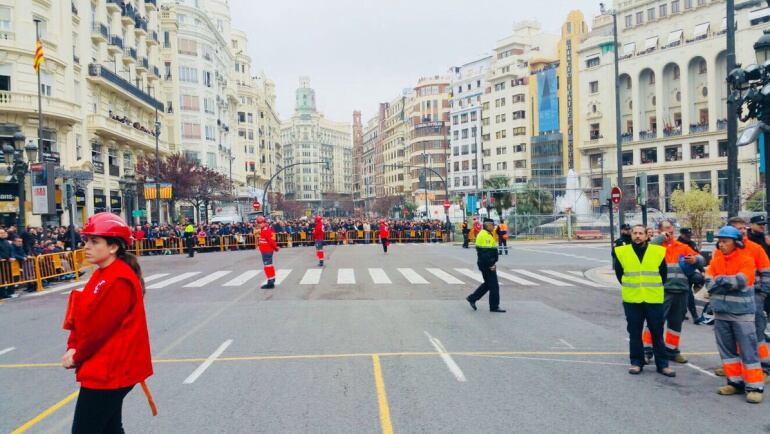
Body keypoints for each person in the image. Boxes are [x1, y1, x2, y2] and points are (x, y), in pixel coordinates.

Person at [61, 212, 156, 432]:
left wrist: (76, 354)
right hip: (105, 367)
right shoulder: (103, 273)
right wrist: (72, 345)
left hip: (110, 369)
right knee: (109, 429)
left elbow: (99, 329)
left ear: (113, 247)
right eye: (86, 240)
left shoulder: (118, 279)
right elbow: (81, 314)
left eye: (94, 241)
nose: (86, 246)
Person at [707, 225, 764, 403]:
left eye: (725, 241)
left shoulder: (746, 259)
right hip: (721, 313)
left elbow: (740, 281)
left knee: (749, 351)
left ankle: (755, 387)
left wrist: (720, 280)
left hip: (742, 315)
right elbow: (708, 281)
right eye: (720, 241)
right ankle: (735, 382)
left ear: (736, 242)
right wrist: (721, 281)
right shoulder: (717, 260)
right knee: (727, 351)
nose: (721, 244)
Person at [613, 224, 674, 377]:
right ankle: (636, 362)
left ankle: (663, 365)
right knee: (634, 333)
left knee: (657, 332)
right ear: (631, 235)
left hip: (653, 298)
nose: (638, 236)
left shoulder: (658, 251)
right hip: (632, 299)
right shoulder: (622, 252)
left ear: (647, 236)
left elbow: (663, 274)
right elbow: (619, 274)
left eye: (641, 233)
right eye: (635, 233)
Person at [647, 220, 704, 364]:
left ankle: (672, 350)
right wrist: (661, 238)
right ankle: (647, 350)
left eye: (671, 229)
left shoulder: (682, 247)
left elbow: (702, 260)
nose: (670, 231)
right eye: (666, 229)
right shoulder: (657, 246)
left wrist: (695, 259)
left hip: (682, 290)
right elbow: (647, 250)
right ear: (660, 231)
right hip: (662, 290)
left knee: (676, 322)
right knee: (656, 321)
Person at [466, 218, 506, 313]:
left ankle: (472, 298)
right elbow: (485, 253)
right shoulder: (485, 235)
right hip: (487, 264)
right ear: (487, 225)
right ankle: (494, 306)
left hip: (485, 263)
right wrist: (491, 264)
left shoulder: (486, 234)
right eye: (492, 225)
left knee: (488, 284)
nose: (494, 226)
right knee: (494, 286)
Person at [256, 216, 279, 288]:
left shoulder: (265, 230)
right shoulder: (265, 229)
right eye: (258, 223)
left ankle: (270, 282)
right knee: (269, 265)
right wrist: (275, 248)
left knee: (267, 266)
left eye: (260, 223)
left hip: (266, 251)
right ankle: (272, 279)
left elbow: (270, 241)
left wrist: (275, 248)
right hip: (266, 250)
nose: (259, 224)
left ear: (264, 223)